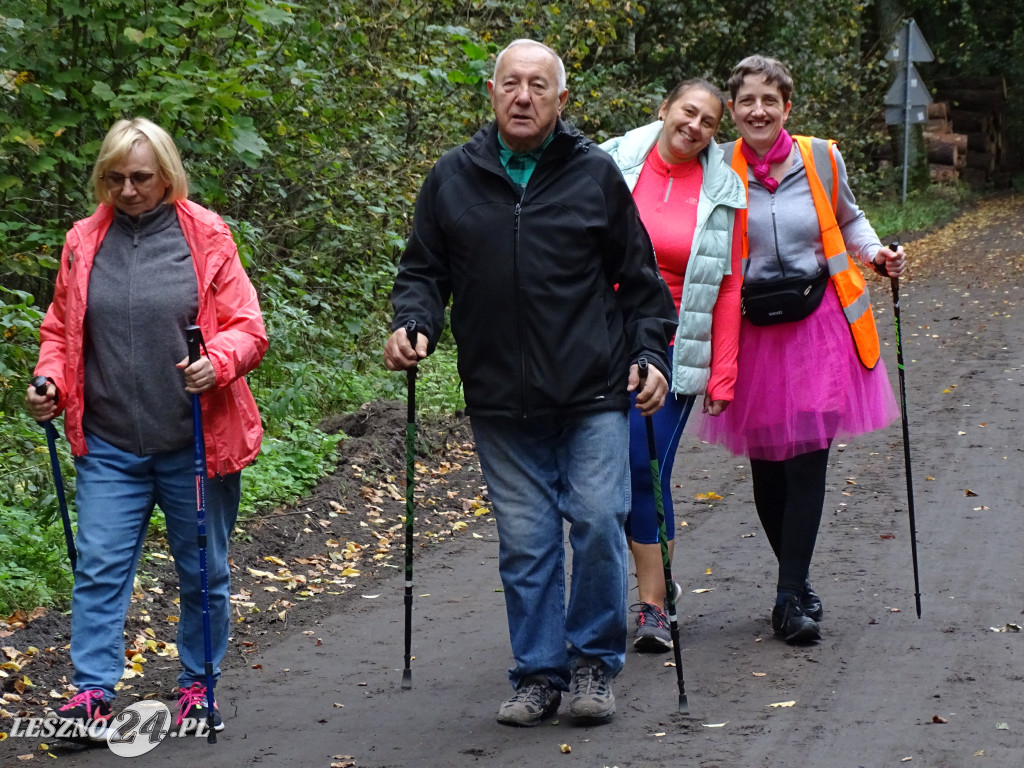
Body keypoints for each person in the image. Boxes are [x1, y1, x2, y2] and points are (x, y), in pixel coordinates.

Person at [384, 39, 676, 726]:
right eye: (510, 83)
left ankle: (592, 666)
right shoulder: (452, 178)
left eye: (538, 85)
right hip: (499, 401)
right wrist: (414, 322)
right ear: (491, 94)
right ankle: (539, 672)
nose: (523, 96)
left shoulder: (595, 175)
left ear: (561, 100)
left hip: (593, 392)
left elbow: (641, 285)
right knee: (526, 543)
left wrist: (652, 356)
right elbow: (421, 272)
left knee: (600, 523)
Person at [26, 117, 267, 737]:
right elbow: (60, 328)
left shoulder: (206, 235)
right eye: (114, 178)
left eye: (139, 178)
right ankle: (90, 694)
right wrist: (49, 379)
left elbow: (247, 326)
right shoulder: (83, 241)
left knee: (202, 568)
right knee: (100, 565)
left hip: (194, 440)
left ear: (166, 176)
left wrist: (217, 363)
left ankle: (197, 685)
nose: (127, 190)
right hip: (109, 442)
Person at [699, 55, 905, 643]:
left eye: (770, 100)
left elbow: (851, 220)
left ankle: (789, 599)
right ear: (732, 111)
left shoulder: (820, 157)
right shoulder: (718, 165)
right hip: (752, 331)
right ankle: (798, 580)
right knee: (768, 468)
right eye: (746, 102)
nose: (758, 110)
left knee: (808, 457)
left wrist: (877, 255)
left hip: (818, 325)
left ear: (787, 105)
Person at [600, 80, 746, 652]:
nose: (695, 127)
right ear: (664, 109)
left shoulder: (723, 189)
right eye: (688, 112)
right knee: (594, 476)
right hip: (601, 341)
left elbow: (730, 285)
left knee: (644, 469)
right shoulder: (609, 164)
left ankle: (653, 607)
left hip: (675, 347)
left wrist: (723, 370)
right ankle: (602, 596)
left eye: (709, 122)